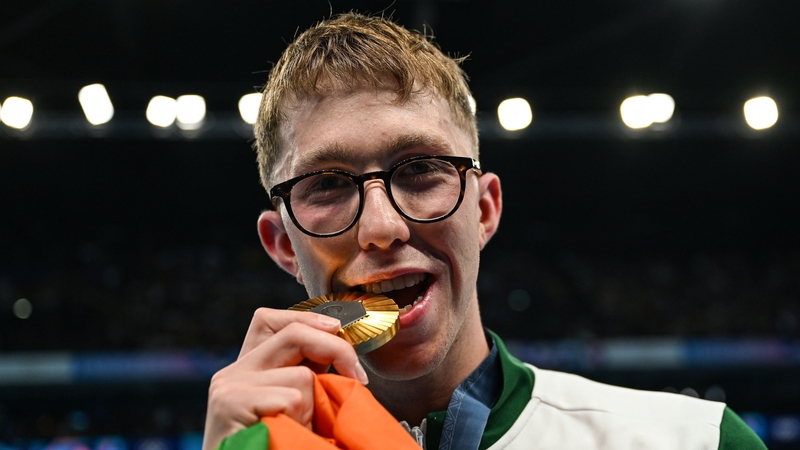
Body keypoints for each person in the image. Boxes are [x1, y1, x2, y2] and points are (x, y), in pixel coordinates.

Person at [202, 12, 766, 450]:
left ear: (484, 210)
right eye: (327, 185)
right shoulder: (250, 442)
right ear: (281, 246)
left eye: (421, 170)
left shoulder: (693, 439)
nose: (381, 227)